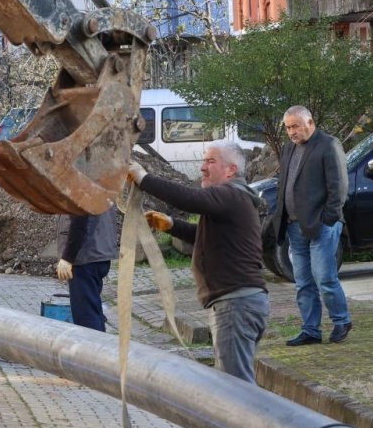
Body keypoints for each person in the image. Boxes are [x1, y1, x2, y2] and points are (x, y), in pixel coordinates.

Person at [128, 142, 268, 384]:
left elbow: (189, 199)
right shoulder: (234, 200)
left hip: (235, 305)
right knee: (237, 384)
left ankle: (255, 423)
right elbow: (208, 238)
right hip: (240, 303)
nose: (202, 168)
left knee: (236, 390)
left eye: (210, 162)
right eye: (204, 161)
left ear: (230, 170)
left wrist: (143, 178)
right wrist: (172, 225)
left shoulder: (230, 195)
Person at [269, 105, 352, 345]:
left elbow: (339, 186)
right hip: (295, 226)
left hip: (322, 225)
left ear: (310, 123)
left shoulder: (328, 145)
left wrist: (329, 218)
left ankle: (341, 320)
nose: (291, 132)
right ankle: (311, 330)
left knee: (324, 277)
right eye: (287, 127)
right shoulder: (288, 148)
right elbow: (285, 183)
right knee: (303, 282)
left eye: (295, 126)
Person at [55, 204, 119, 332]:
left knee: (87, 320)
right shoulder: (103, 184)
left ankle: (95, 350)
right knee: (93, 312)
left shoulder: (81, 184)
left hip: (85, 257)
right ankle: (100, 348)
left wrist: (68, 257)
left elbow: (79, 219)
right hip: (99, 254)